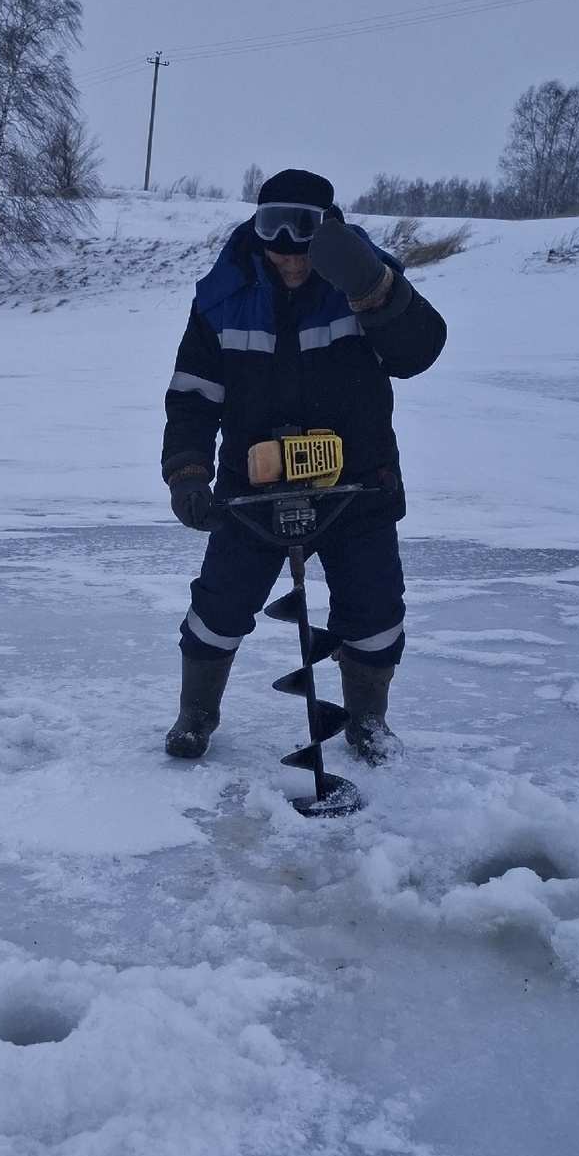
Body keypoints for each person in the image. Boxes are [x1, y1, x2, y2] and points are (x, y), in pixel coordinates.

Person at [161, 168, 446, 766]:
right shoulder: (224, 292)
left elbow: (418, 352)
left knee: (373, 611)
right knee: (219, 604)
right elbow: (193, 395)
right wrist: (187, 472)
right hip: (254, 486)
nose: (291, 264)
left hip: (357, 483)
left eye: (305, 251)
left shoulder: (361, 274)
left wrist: (377, 293)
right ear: (257, 231)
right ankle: (196, 714)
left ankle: (367, 721)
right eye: (277, 247)